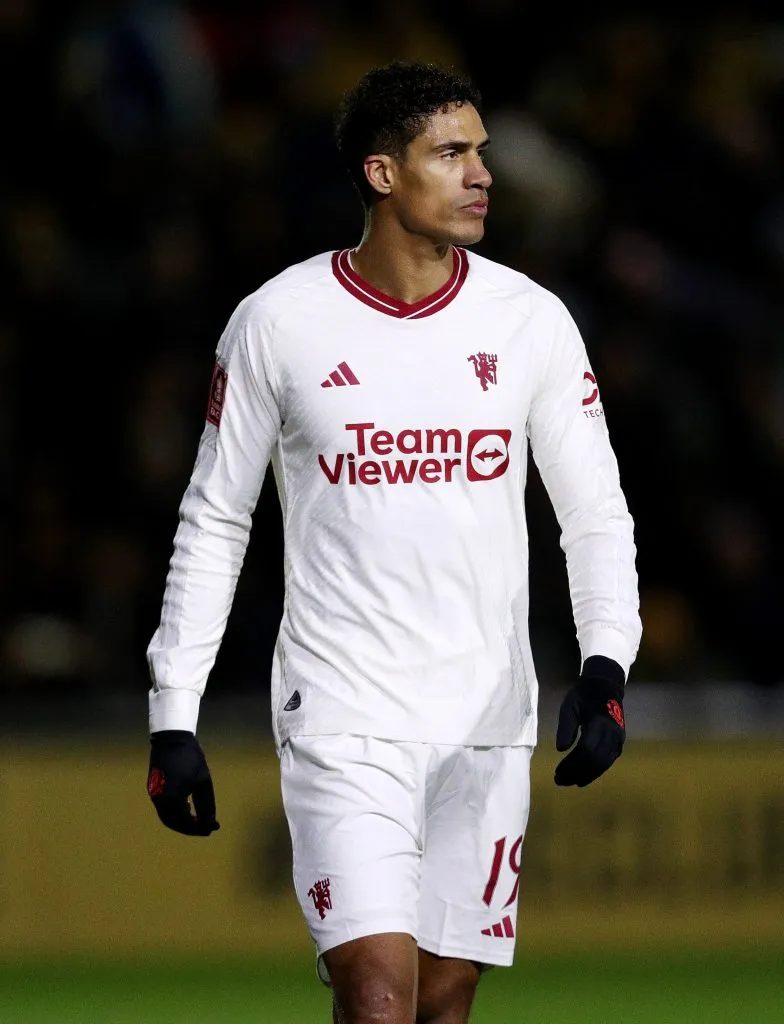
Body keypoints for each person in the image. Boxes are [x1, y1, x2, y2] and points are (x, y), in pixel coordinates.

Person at [145, 60, 642, 1024]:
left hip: (487, 714)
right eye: (451, 153)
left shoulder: (531, 322)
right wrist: (174, 710)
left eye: (481, 153)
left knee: (439, 1007)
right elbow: (214, 518)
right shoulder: (277, 322)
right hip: (341, 712)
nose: (482, 174)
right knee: (377, 995)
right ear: (382, 174)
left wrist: (606, 664)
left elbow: (595, 510)